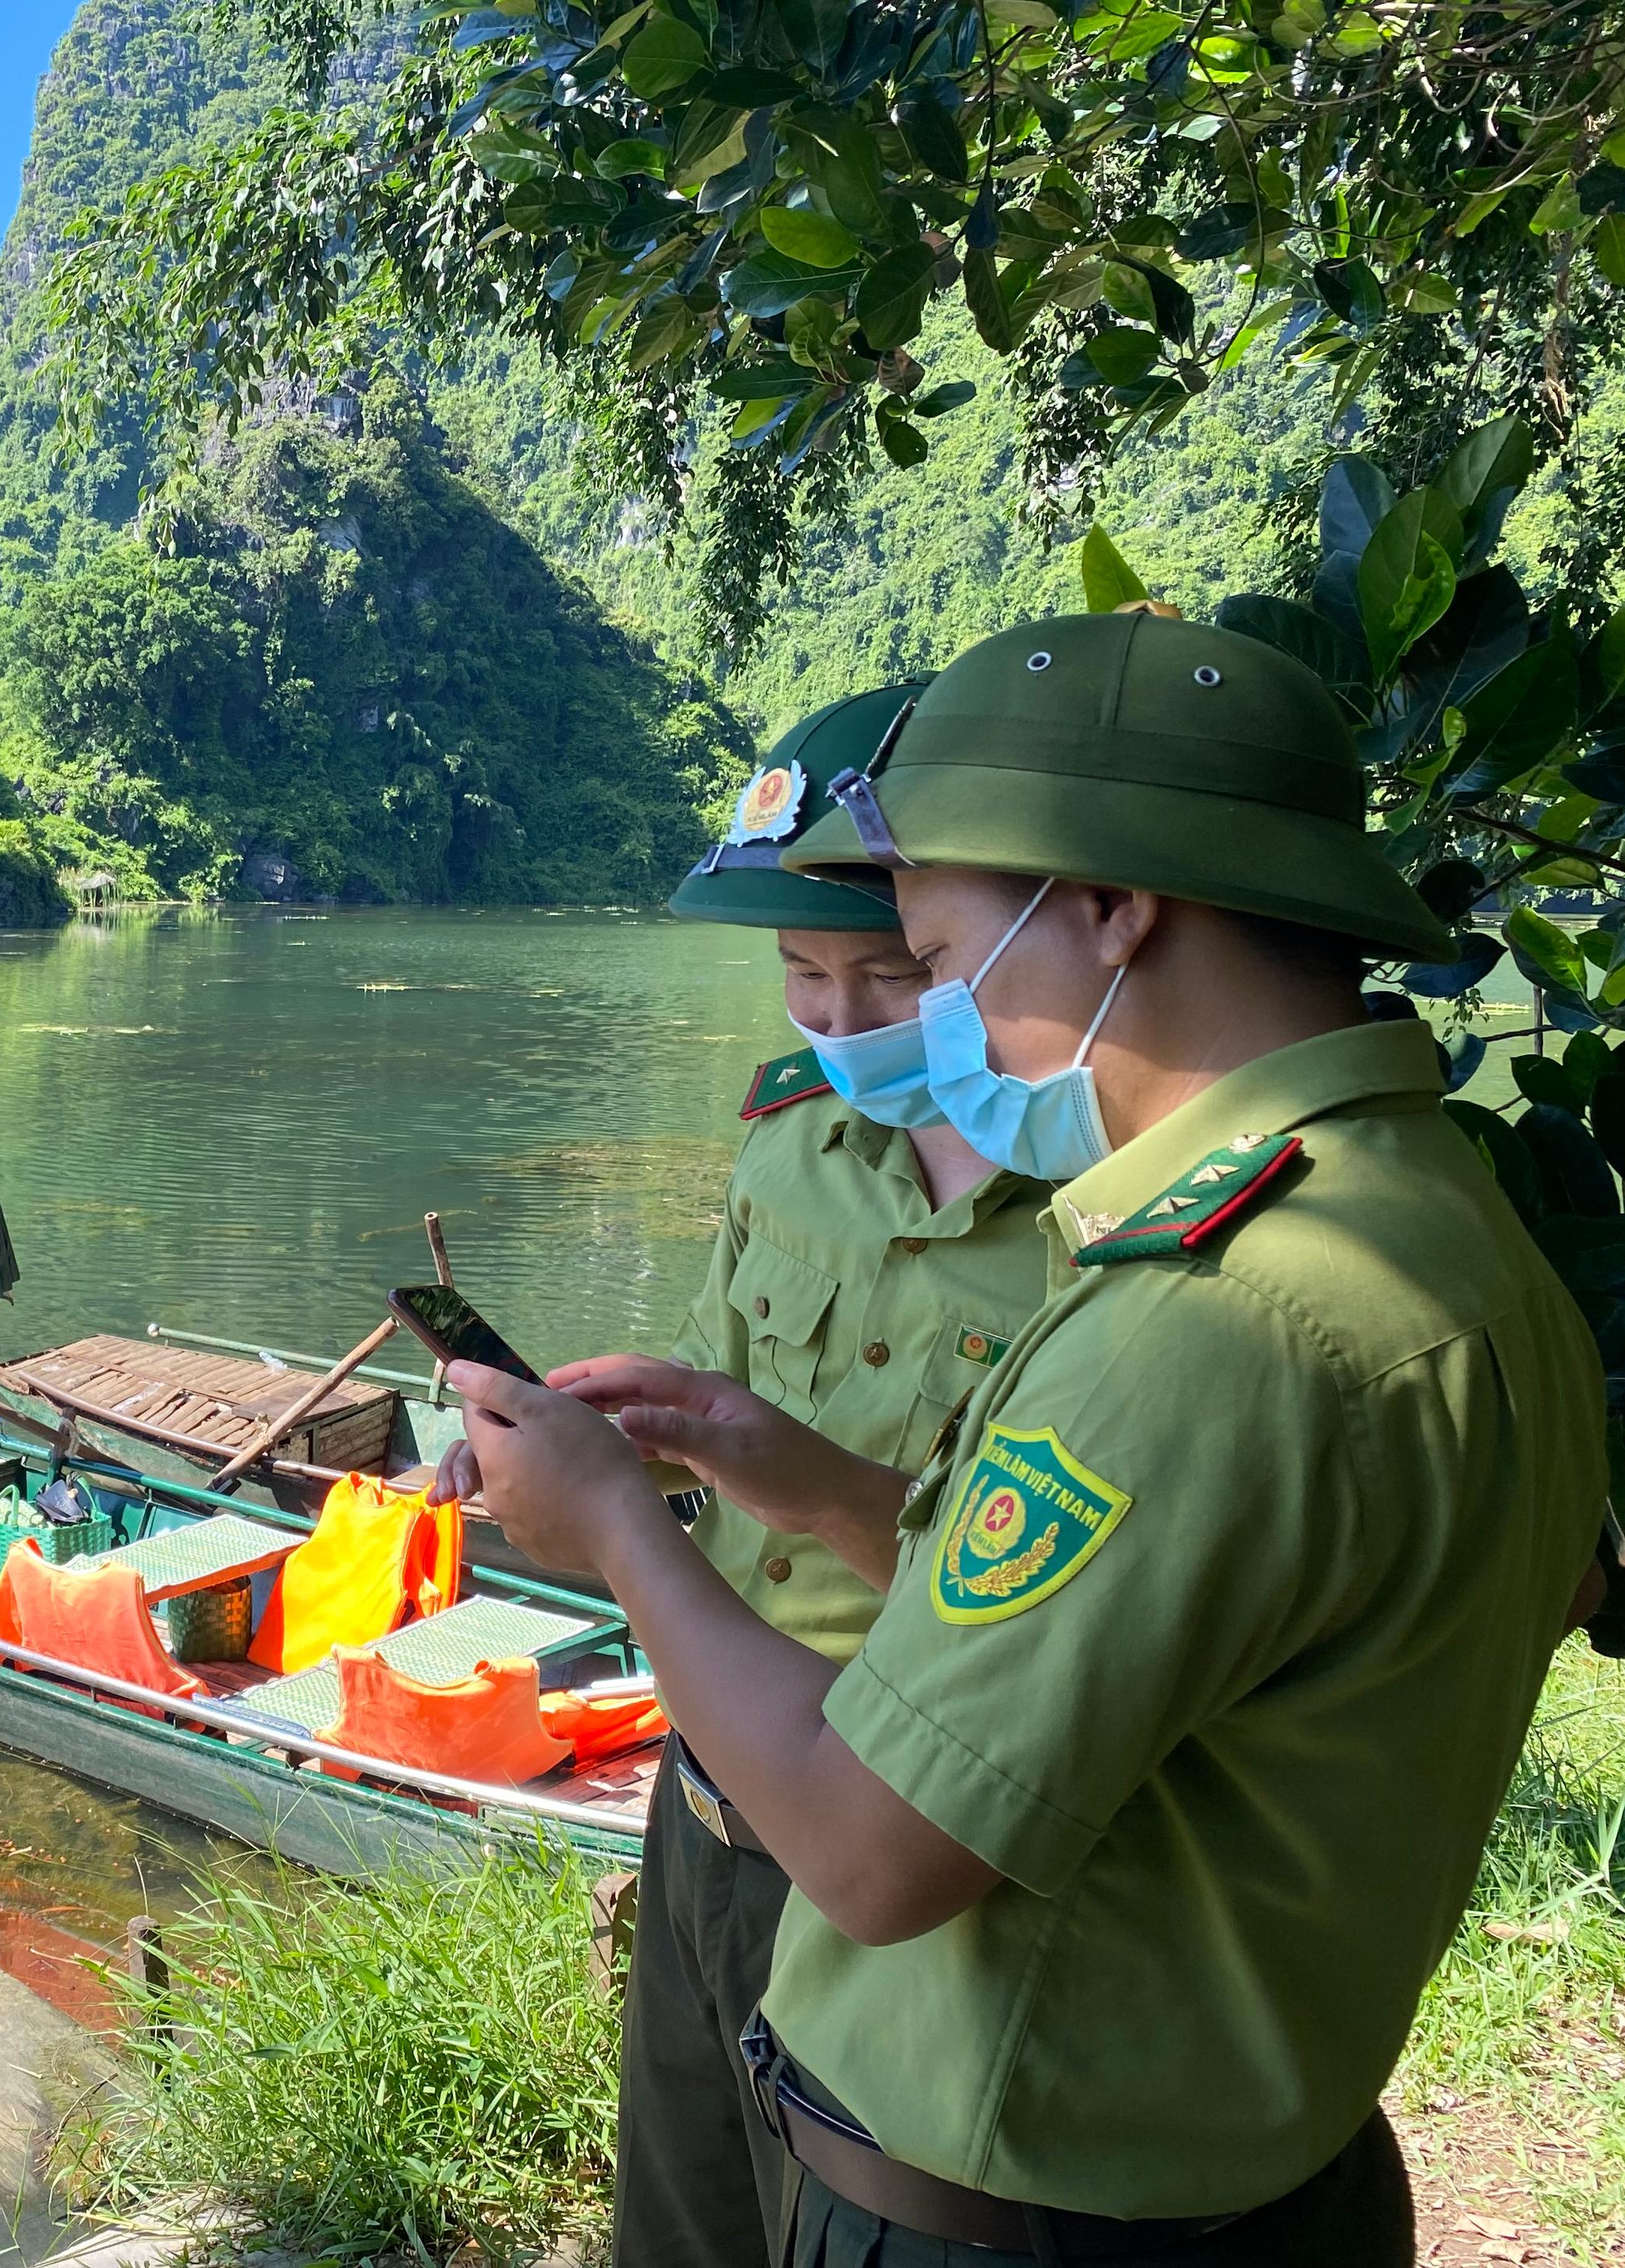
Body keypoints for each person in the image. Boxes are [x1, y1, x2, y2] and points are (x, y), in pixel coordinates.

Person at [440, 612, 1606, 2263]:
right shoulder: (1447, 1237)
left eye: (934, 955)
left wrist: (622, 1530)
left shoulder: (1211, 1320)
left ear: (1113, 908)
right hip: (1249, 2160)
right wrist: (781, 1465)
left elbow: (867, 1850)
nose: (925, 1033)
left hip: (1020, 2204)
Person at [618, 686, 1057, 2268]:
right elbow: (703, 1415)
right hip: (707, 1808)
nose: (843, 1023)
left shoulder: (1106, 1214)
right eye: (804, 978)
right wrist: (616, 1452)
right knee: (684, 2221)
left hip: (913, 1845)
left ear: (982, 944)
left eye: (890, 974)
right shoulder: (789, 1143)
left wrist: (807, 1491)